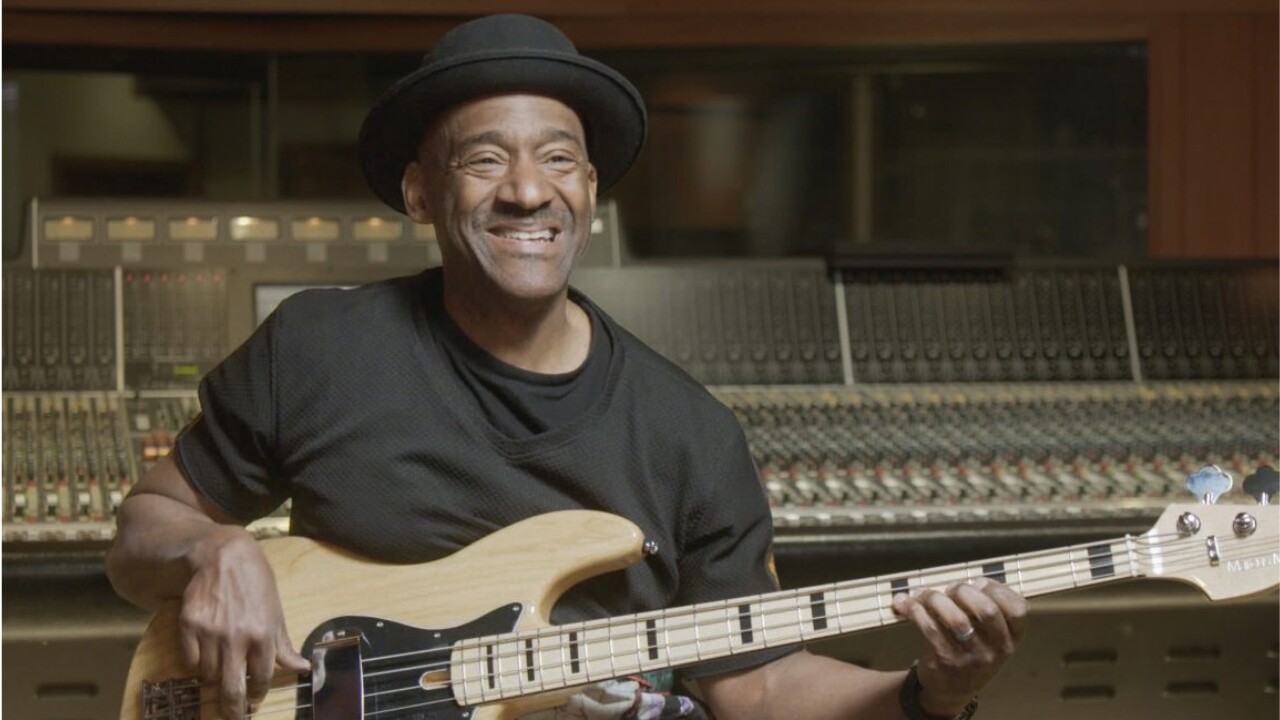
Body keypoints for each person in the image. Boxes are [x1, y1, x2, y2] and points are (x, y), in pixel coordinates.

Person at [106, 13, 1026, 720]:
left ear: (589, 190)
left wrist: (928, 693)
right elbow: (141, 533)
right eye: (484, 160)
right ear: (421, 191)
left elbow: (757, 684)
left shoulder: (690, 434)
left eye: (558, 159)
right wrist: (213, 549)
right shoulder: (318, 348)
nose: (527, 190)